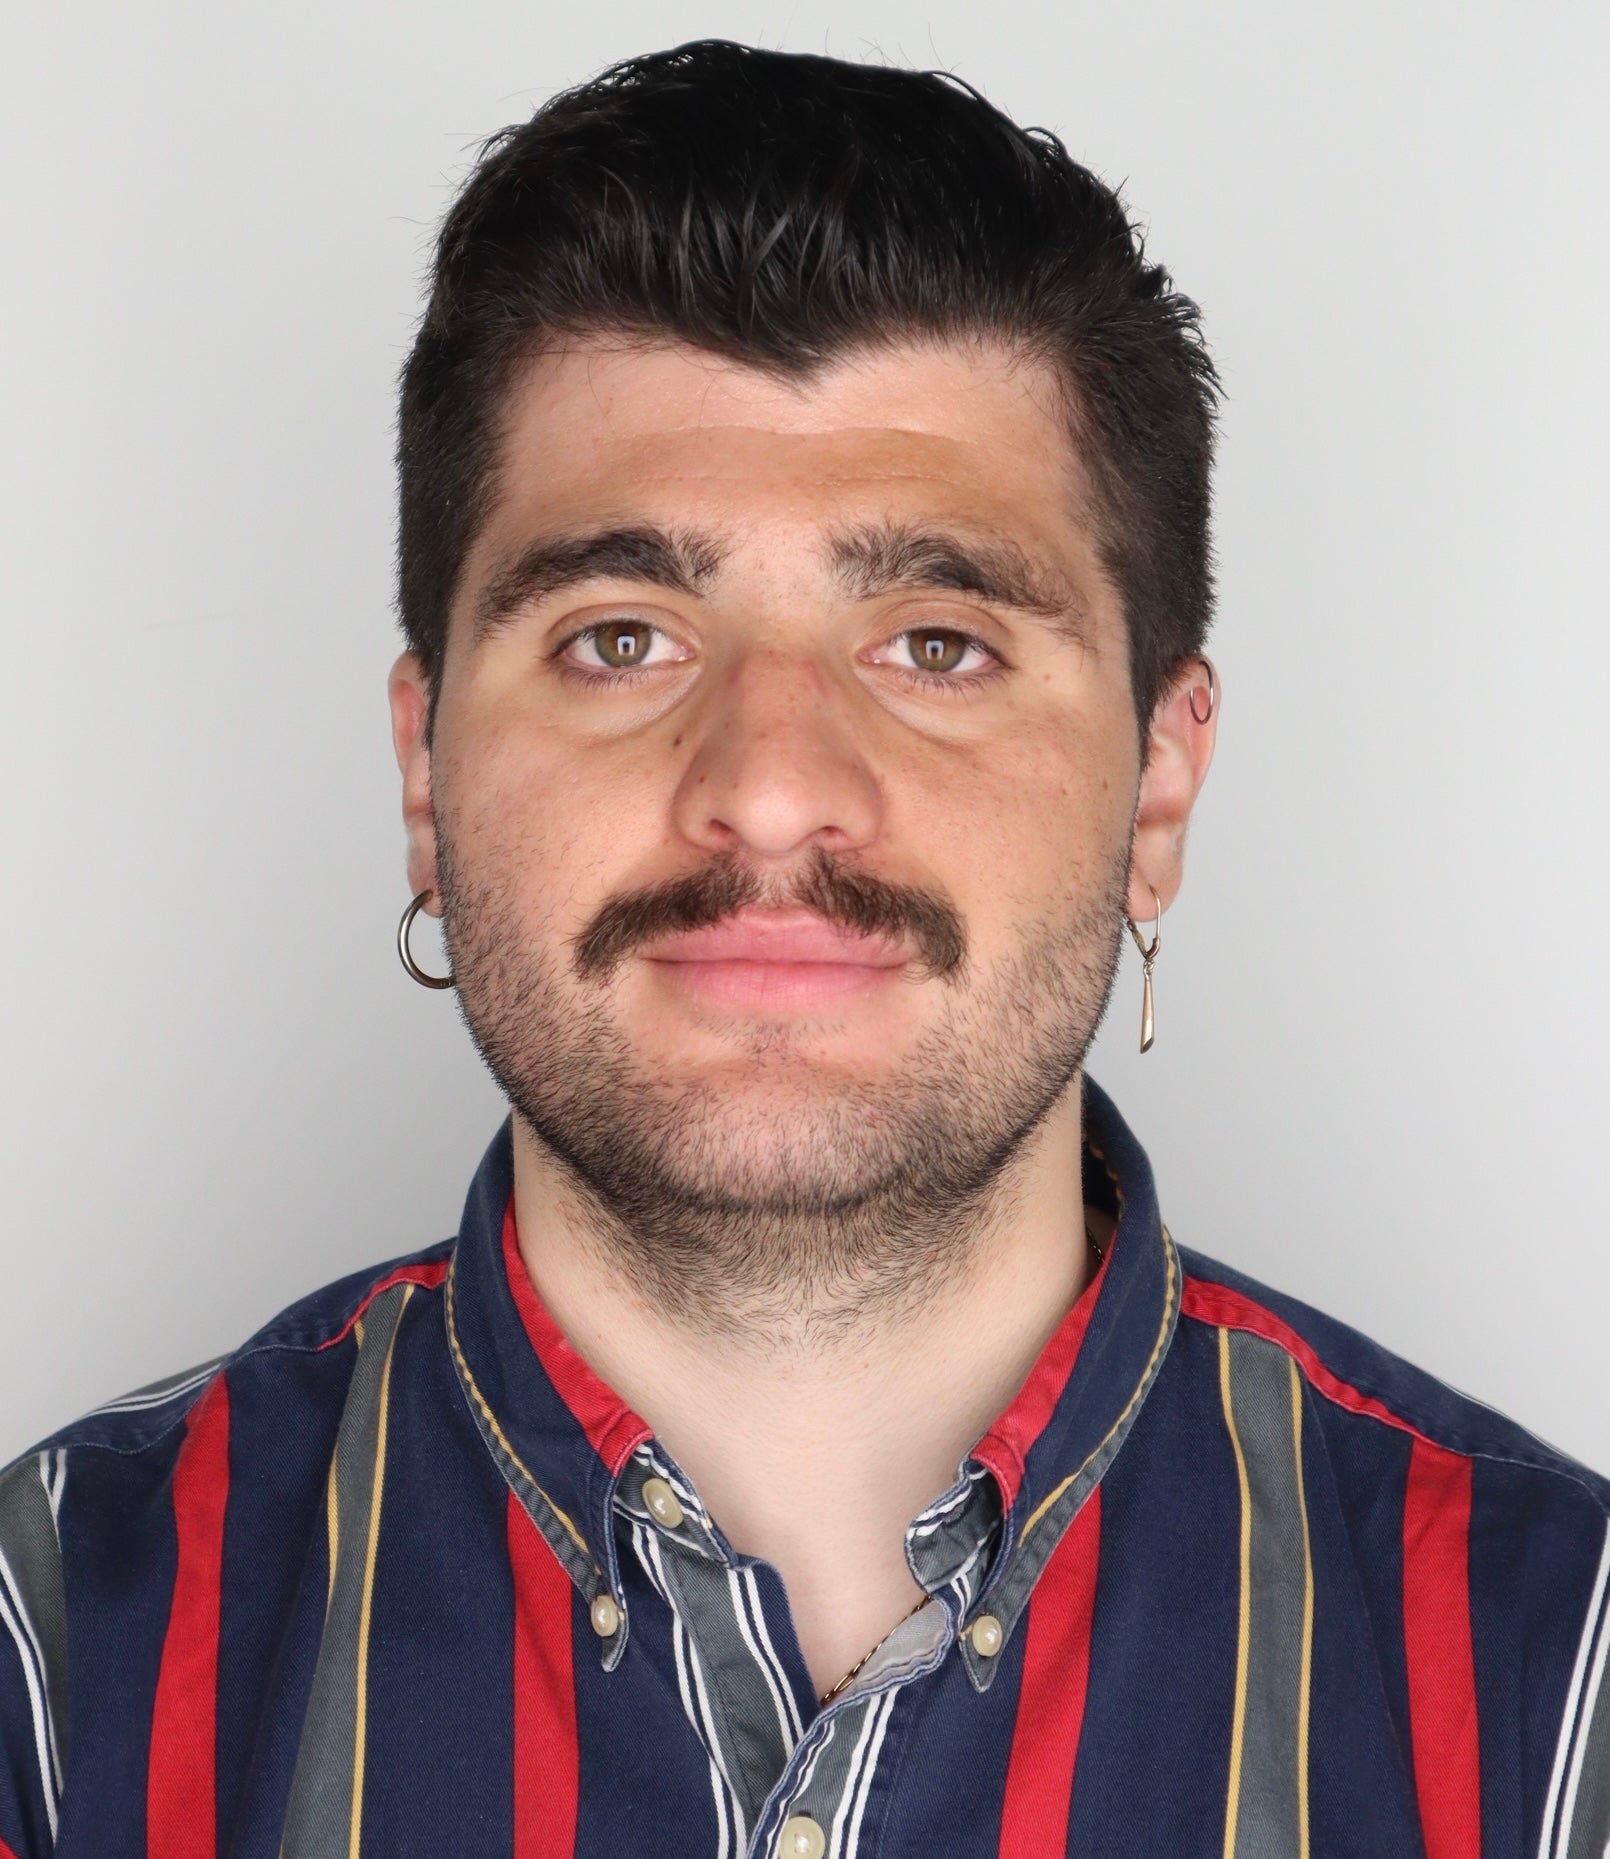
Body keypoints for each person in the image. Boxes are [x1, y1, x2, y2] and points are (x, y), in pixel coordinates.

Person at [2, 38, 1605, 1859]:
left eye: (937, 643)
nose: (767, 795)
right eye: (622, 639)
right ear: (425, 774)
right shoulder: (50, 1660)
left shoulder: (1560, 1673)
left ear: (1157, 787)